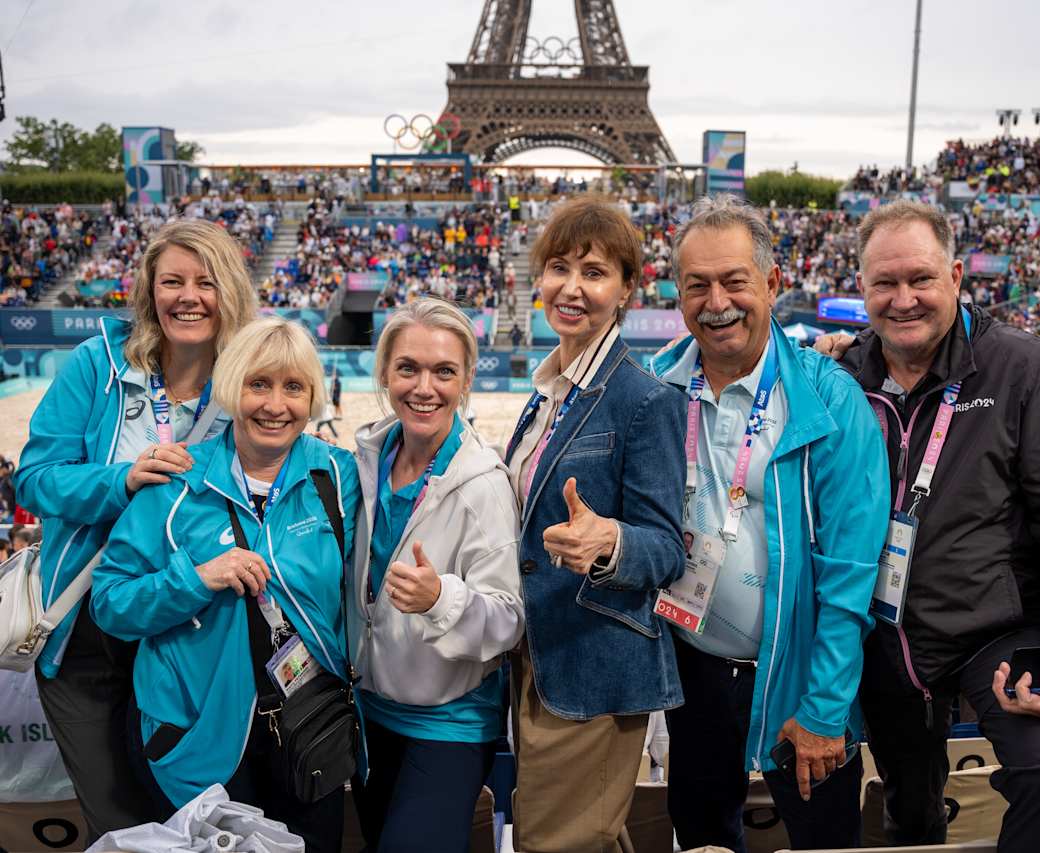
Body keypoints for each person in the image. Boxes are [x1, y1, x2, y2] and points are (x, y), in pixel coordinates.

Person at [816, 200, 1040, 851]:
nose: (904, 300)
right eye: (884, 284)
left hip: (1000, 628)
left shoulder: (1020, 366)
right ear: (859, 287)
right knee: (912, 812)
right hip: (886, 639)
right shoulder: (839, 376)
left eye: (920, 279)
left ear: (956, 275)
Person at [648, 195, 889, 851]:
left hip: (800, 672)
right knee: (701, 835)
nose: (716, 300)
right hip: (693, 666)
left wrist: (823, 709)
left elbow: (850, 576)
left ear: (773, 283)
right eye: (697, 284)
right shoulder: (656, 387)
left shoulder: (828, 395)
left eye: (734, 281)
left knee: (822, 837)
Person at [14, 219, 258, 842]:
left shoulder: (246, 376)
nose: (188, 297)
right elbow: (36, 479)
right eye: (171, 281)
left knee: (198, 817)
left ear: (228, 292)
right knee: (120, 819)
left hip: (192, 625)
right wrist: (119, 481)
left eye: (205, 282)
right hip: (89, 626)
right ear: (149, 290)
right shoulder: (97, 363)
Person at [91, 317, 360, 852]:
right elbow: (109, 602)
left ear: (313, 396)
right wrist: (195, 579)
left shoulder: (338, 476)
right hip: (198, 734)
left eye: (293, 387)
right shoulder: (177, 486)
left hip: (308, 727)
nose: (274, 405)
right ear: (232, 387)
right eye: (259, 384)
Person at [504, 196, 686, 853]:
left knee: (556, 843)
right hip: (538, 658)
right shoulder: (548, 393)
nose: (571, 287)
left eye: (594, 271)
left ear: (627, 288)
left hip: (594, 663)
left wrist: (608, 540)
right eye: (558, 267)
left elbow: (667, 546)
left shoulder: (645, 399)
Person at [349, 299, 523, 853]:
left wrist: (440, 600)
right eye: (408, 369)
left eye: (443, 372)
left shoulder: (483, 486)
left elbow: (509, 620)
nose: (424, 387)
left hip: (448, 720)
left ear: (467, 379)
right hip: (369, 711)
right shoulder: (361, 463)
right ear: (384, 374)